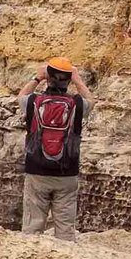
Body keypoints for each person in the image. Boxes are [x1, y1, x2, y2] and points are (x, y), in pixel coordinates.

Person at [16, 57, 93, 240]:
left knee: (32, 227)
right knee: (65, 229)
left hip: (36, 172)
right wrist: (77, 78)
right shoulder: (77, 104)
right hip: (67, 174)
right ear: (68, 80)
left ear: (48, 77)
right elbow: (91, 99)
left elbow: (20, 97)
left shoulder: (34, 101)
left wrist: (37, 77)